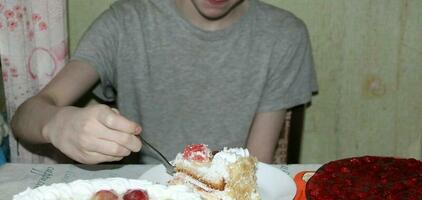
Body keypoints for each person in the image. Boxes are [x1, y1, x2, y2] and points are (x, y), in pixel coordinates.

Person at [11, 0, 318, 164]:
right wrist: (58, 123)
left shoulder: (283, 36)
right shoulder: (125, 23)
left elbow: (256, 166)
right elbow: (25, 116)